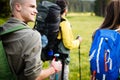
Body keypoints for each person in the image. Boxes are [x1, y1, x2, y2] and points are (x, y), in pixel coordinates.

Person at [1, 0, 62, 80]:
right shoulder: (32, 35)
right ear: (18, 7)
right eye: (32, 6)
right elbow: (34, 76)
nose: (36, 11)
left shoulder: (3, 29)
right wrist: (53, 69)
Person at [50, 0, 82, 80]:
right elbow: (68, 44)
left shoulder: (53, 21)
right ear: (65, 9)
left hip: (52, 58)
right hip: (61, 60)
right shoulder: (64, 23)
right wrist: (78, 41)